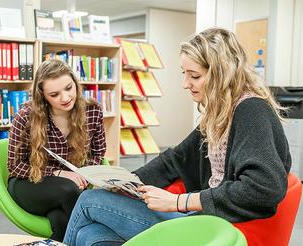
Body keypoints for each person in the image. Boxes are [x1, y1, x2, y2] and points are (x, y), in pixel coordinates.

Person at [63, 27, 291, 246]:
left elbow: (263, 189)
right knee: (88, 235)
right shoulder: (220, 116)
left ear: (222, 75)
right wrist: (123, 183)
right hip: (203, 217)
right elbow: (174, 160)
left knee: (88, 200)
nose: (185, 84)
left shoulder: (251, 111)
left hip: (216, 228)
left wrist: (178, 202)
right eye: (185, 74)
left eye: (194, 76)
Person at [7, 59, 107, 241]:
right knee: (69, 191)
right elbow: (15, 166)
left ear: (75, 83)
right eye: (54, 94)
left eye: (69, 88)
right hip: (30, 183)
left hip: (74, 185)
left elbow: (98, 153)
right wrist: (58, 173)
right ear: (42, 95)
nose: (65, 98)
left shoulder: (93, 111)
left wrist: (84, 173)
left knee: (61, 220)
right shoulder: (26, 116)